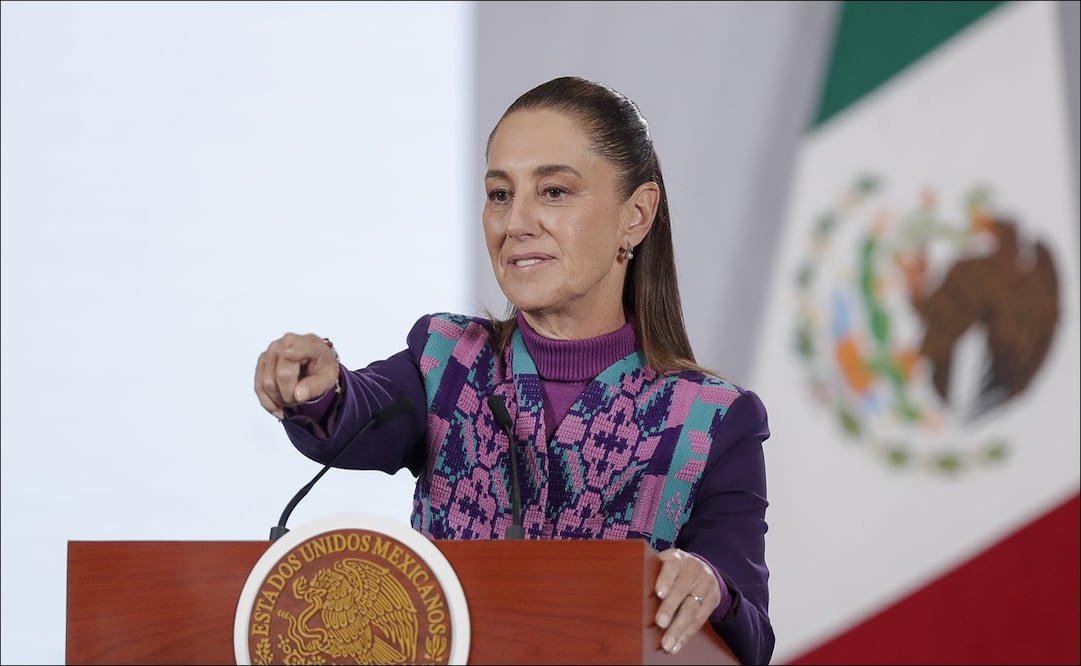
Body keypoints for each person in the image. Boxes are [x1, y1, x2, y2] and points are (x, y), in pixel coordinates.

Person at [254, 75, 774, 665]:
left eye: (553, 192)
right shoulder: (447, 362)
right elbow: (359, 412)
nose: (515, 222)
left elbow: (751, 635)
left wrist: (711, 585)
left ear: (636, 214)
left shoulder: (713, 419)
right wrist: (320, 391)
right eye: (500, 194)